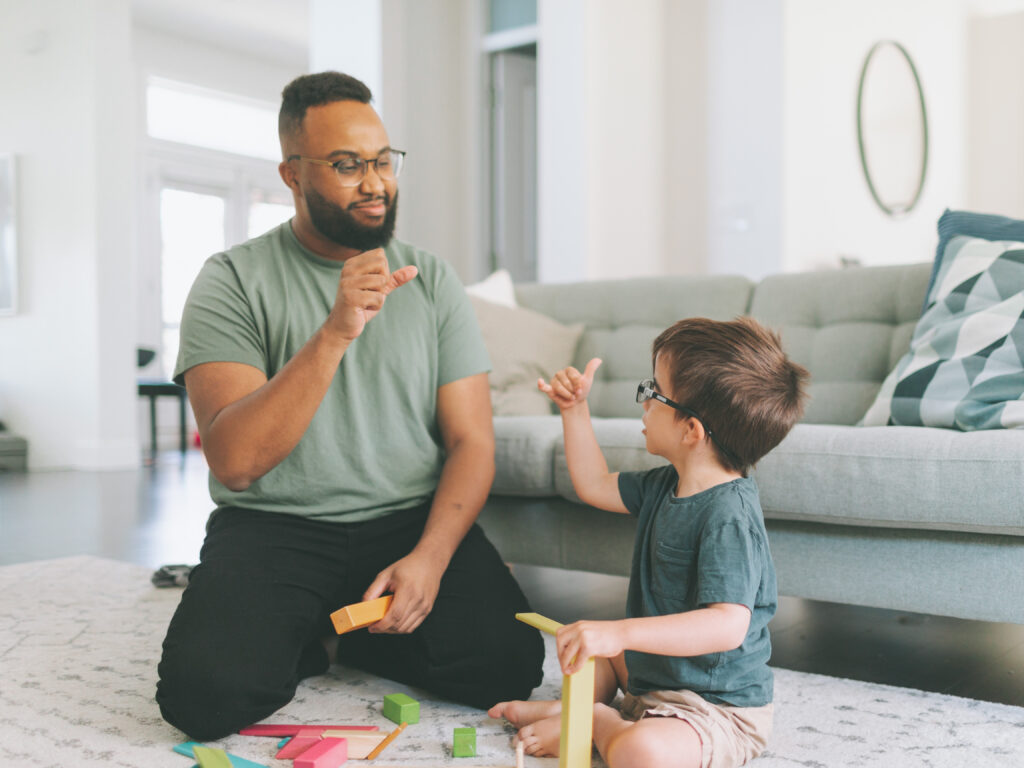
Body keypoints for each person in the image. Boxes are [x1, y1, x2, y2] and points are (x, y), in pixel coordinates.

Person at [155, 71, 544, 740]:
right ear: (292, 174)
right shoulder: (231, 280)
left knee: (507, 665)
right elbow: (237, 462)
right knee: (203, 699)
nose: (374, 182)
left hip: (405, 523)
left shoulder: (433, 279)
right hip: (275, 528)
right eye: (346, 165)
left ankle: (345, 631)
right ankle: (314, 628)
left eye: (382, 161)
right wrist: (335, 331)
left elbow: (471, 441)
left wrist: (431, 557)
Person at [489, 317, 809, 768]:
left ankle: (596, 721)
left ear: (691, 431)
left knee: (642, 754)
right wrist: (574, 410)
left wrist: (617, 631)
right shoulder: (666, 484)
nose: (643, 403)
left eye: (653, 392)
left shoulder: (729, 517)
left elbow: (726, 625)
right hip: (650, 674)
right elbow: (594, 484)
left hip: (714, 708)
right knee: (591, 654)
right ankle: (577, 711)